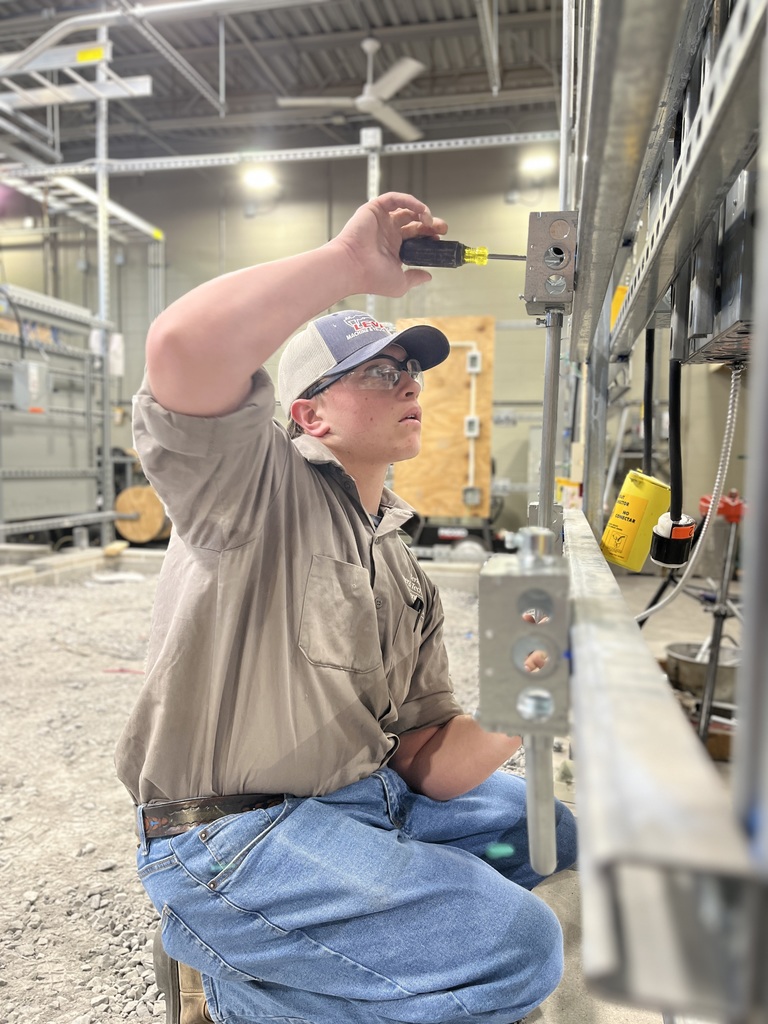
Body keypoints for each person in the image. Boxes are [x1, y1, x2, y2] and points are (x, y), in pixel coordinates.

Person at [116, 191, 577, 1024]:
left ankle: (300, 955)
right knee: (521, 945)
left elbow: (427, 762)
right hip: (234, 838)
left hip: (358, 802)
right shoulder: (249, 492)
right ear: (309, 413)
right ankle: (237, 987)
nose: (411, 386)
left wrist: (532, 696)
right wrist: (345, 268)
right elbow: (182, 347)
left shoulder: (402, 557)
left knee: (544, 829)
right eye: (381, 372)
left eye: (412, 372)